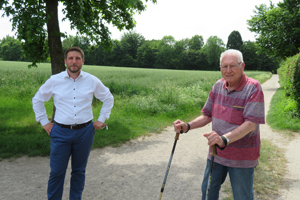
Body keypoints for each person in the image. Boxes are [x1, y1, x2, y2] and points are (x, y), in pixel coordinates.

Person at [174, 49, 264, 200]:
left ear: (242, 66)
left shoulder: (253, 88)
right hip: (216, 153)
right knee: (208, 192)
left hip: (242, 157)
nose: (228, 71)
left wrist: (224, 139)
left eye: (232, 66)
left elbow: (251, 124)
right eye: (224, 66)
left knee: (242, 196)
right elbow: (207, 114)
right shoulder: (217, 86)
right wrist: (187, 126)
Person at [32, 47, 114, 200]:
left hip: (85, 132)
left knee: (79, 171)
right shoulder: (55, 80)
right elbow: (37, 100)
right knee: (57, 172)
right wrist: (44, 122)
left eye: (77, 58)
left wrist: (101, 119)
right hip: (60, 132)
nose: (74, 62)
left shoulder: (92, 80)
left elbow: (108, 98)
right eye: (70, 58)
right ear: (65, 61)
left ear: (82, 61)